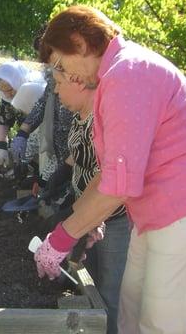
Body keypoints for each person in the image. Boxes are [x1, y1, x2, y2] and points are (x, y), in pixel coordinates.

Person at [33, 5, 186, 333]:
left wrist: (63, 237)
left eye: (61, 63)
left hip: (183, 215)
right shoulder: (117, 73)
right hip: (153, 218)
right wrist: (85, 220)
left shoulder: (127, 73)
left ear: (80, 44)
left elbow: (119, 186)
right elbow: (110, 173)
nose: (66, 76)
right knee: (131, 310)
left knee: (166, 325)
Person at [52, 68, 130, 334]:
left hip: (112, 216)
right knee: (91, 279)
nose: (55, 89)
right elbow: (77, 156)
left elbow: (105, 175)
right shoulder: (79, 116)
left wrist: (85, 216)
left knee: (109, 290)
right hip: (88, 213)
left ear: (79, 82)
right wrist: (57, 178)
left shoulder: (101, 118)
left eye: (59, 82)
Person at [9, 63, 74, 183]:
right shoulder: (53, 78)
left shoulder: (76, 77)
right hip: (60, 149)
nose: (55, 90)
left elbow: (81, 145)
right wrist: (22, 133)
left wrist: (46, 179)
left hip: (75, 153)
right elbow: (43, 102)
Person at [0, 60, 46, 169]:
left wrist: (27, 144)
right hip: (28, 137)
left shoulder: (36, 90)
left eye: (10, 90)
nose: (7, 95)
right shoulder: (7, 96)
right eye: (3, 90)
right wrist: (1, 145)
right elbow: (3, 117)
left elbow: (41, 123)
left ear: (17, 81)